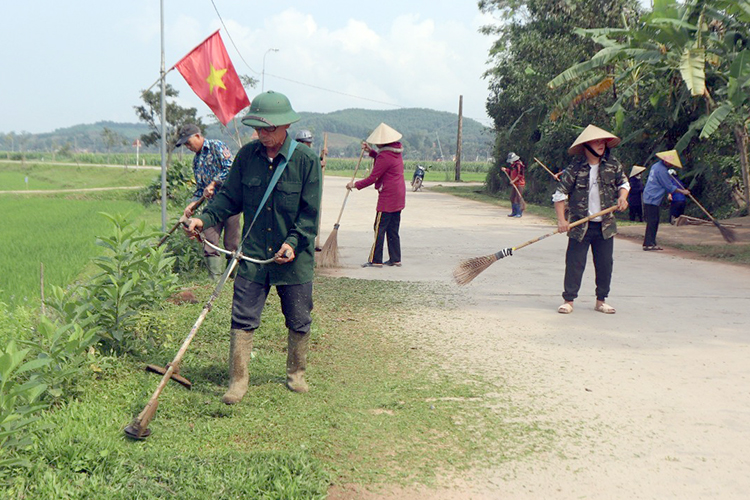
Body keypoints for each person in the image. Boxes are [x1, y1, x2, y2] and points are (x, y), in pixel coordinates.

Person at [186, 91, 322, 402]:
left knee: (299, 317)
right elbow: (228, 198)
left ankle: (296, 374)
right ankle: (238, 381)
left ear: (284, 125)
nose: (262, 135)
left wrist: (292, 242)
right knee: (242, 317)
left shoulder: (306, 161)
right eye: (258, 129)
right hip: (252, 253)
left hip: (293, 258)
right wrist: (203, 220)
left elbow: (310, 214)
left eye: (268, 129)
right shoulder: (247, 157)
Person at [552, 124, 630, 315]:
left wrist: (622, 197)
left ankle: (601, 301)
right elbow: (560, 194)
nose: (601, 144)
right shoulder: (575, 169)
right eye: (596, 141)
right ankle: (568, 300)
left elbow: (624, 183)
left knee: (605, 264)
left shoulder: (613, 165)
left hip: (605, 225)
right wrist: (562, 220)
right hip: (580, 225)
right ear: (586, 146)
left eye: (602, 141)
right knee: (574, 263)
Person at [176, 123, 241, 281]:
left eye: (188, 142)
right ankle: (214, 279)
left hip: (230, 203)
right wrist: (192, 203)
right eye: (185, 144)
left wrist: (213, 184)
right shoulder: (196, 161)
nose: (188, 146)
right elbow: (200, 188)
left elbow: (230, 168)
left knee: (231, 243)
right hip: (211, 208)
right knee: (210, 241)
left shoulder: (217, 146)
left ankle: (233, 278)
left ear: (197, 136)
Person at [346, 122, 406, 268]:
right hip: (398, 195)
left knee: (379, 227)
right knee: (393, 229)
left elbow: (373, 177)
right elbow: (381, 159)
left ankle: (376, 260)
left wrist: (354, 185)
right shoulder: (395, 151)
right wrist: (370, 151)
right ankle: (395, 258)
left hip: (388, 196)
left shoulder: (385, 156)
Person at [642, 150, 690, 250]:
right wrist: (683, 192)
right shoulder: (662, 170)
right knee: (653, 221)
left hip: (649, 196)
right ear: (665, 160)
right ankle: (649, 244)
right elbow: (669, 187)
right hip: (652, 197)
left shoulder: (656, 166)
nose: (670, 164)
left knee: (653, 220)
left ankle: (649, 242)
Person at [294, 129, 327, 250]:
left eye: (308, 143)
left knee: (310, 218)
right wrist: (319, 163)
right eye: (304, 143)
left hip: (309, 193)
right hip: (297, 194)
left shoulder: (310, 156)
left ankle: (310, 244)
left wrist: (322, 157)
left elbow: (313, 163)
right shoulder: (294, 156)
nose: (307, 146)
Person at [502, 152, 526, 217]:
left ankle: (519, 212)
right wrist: (505, 170)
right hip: (514, 184)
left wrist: (513, 181)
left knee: (518, 198)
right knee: (512, 197)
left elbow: (520, 175)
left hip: (520, 183)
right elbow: (511, 172)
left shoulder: (519, 165)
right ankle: (514, 212)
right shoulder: (513, 165)